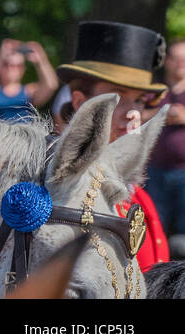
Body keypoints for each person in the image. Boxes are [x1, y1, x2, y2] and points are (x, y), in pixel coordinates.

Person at [56, 20, 171, 270]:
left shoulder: (136, 192)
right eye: (118, 97)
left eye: (140, 100)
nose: (133, 114)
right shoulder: (55, 189)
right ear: (79, 102)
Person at [146, 38, 185, 254]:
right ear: (167, 61)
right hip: (155, 171)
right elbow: (137, 115)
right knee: (154, 230)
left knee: (182, 237)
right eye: (177, 59)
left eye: (184, 59)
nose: (181, 64)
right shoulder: (155, 91)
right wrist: (163, 113)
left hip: (184, 173)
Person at [0, 39, 59, 122]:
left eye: (17, 65)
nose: (11, 68)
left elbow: (51, 85)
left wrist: (41, 60)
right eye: (6, 64)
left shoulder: (29, 92)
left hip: (22, 136)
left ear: (23, 69)